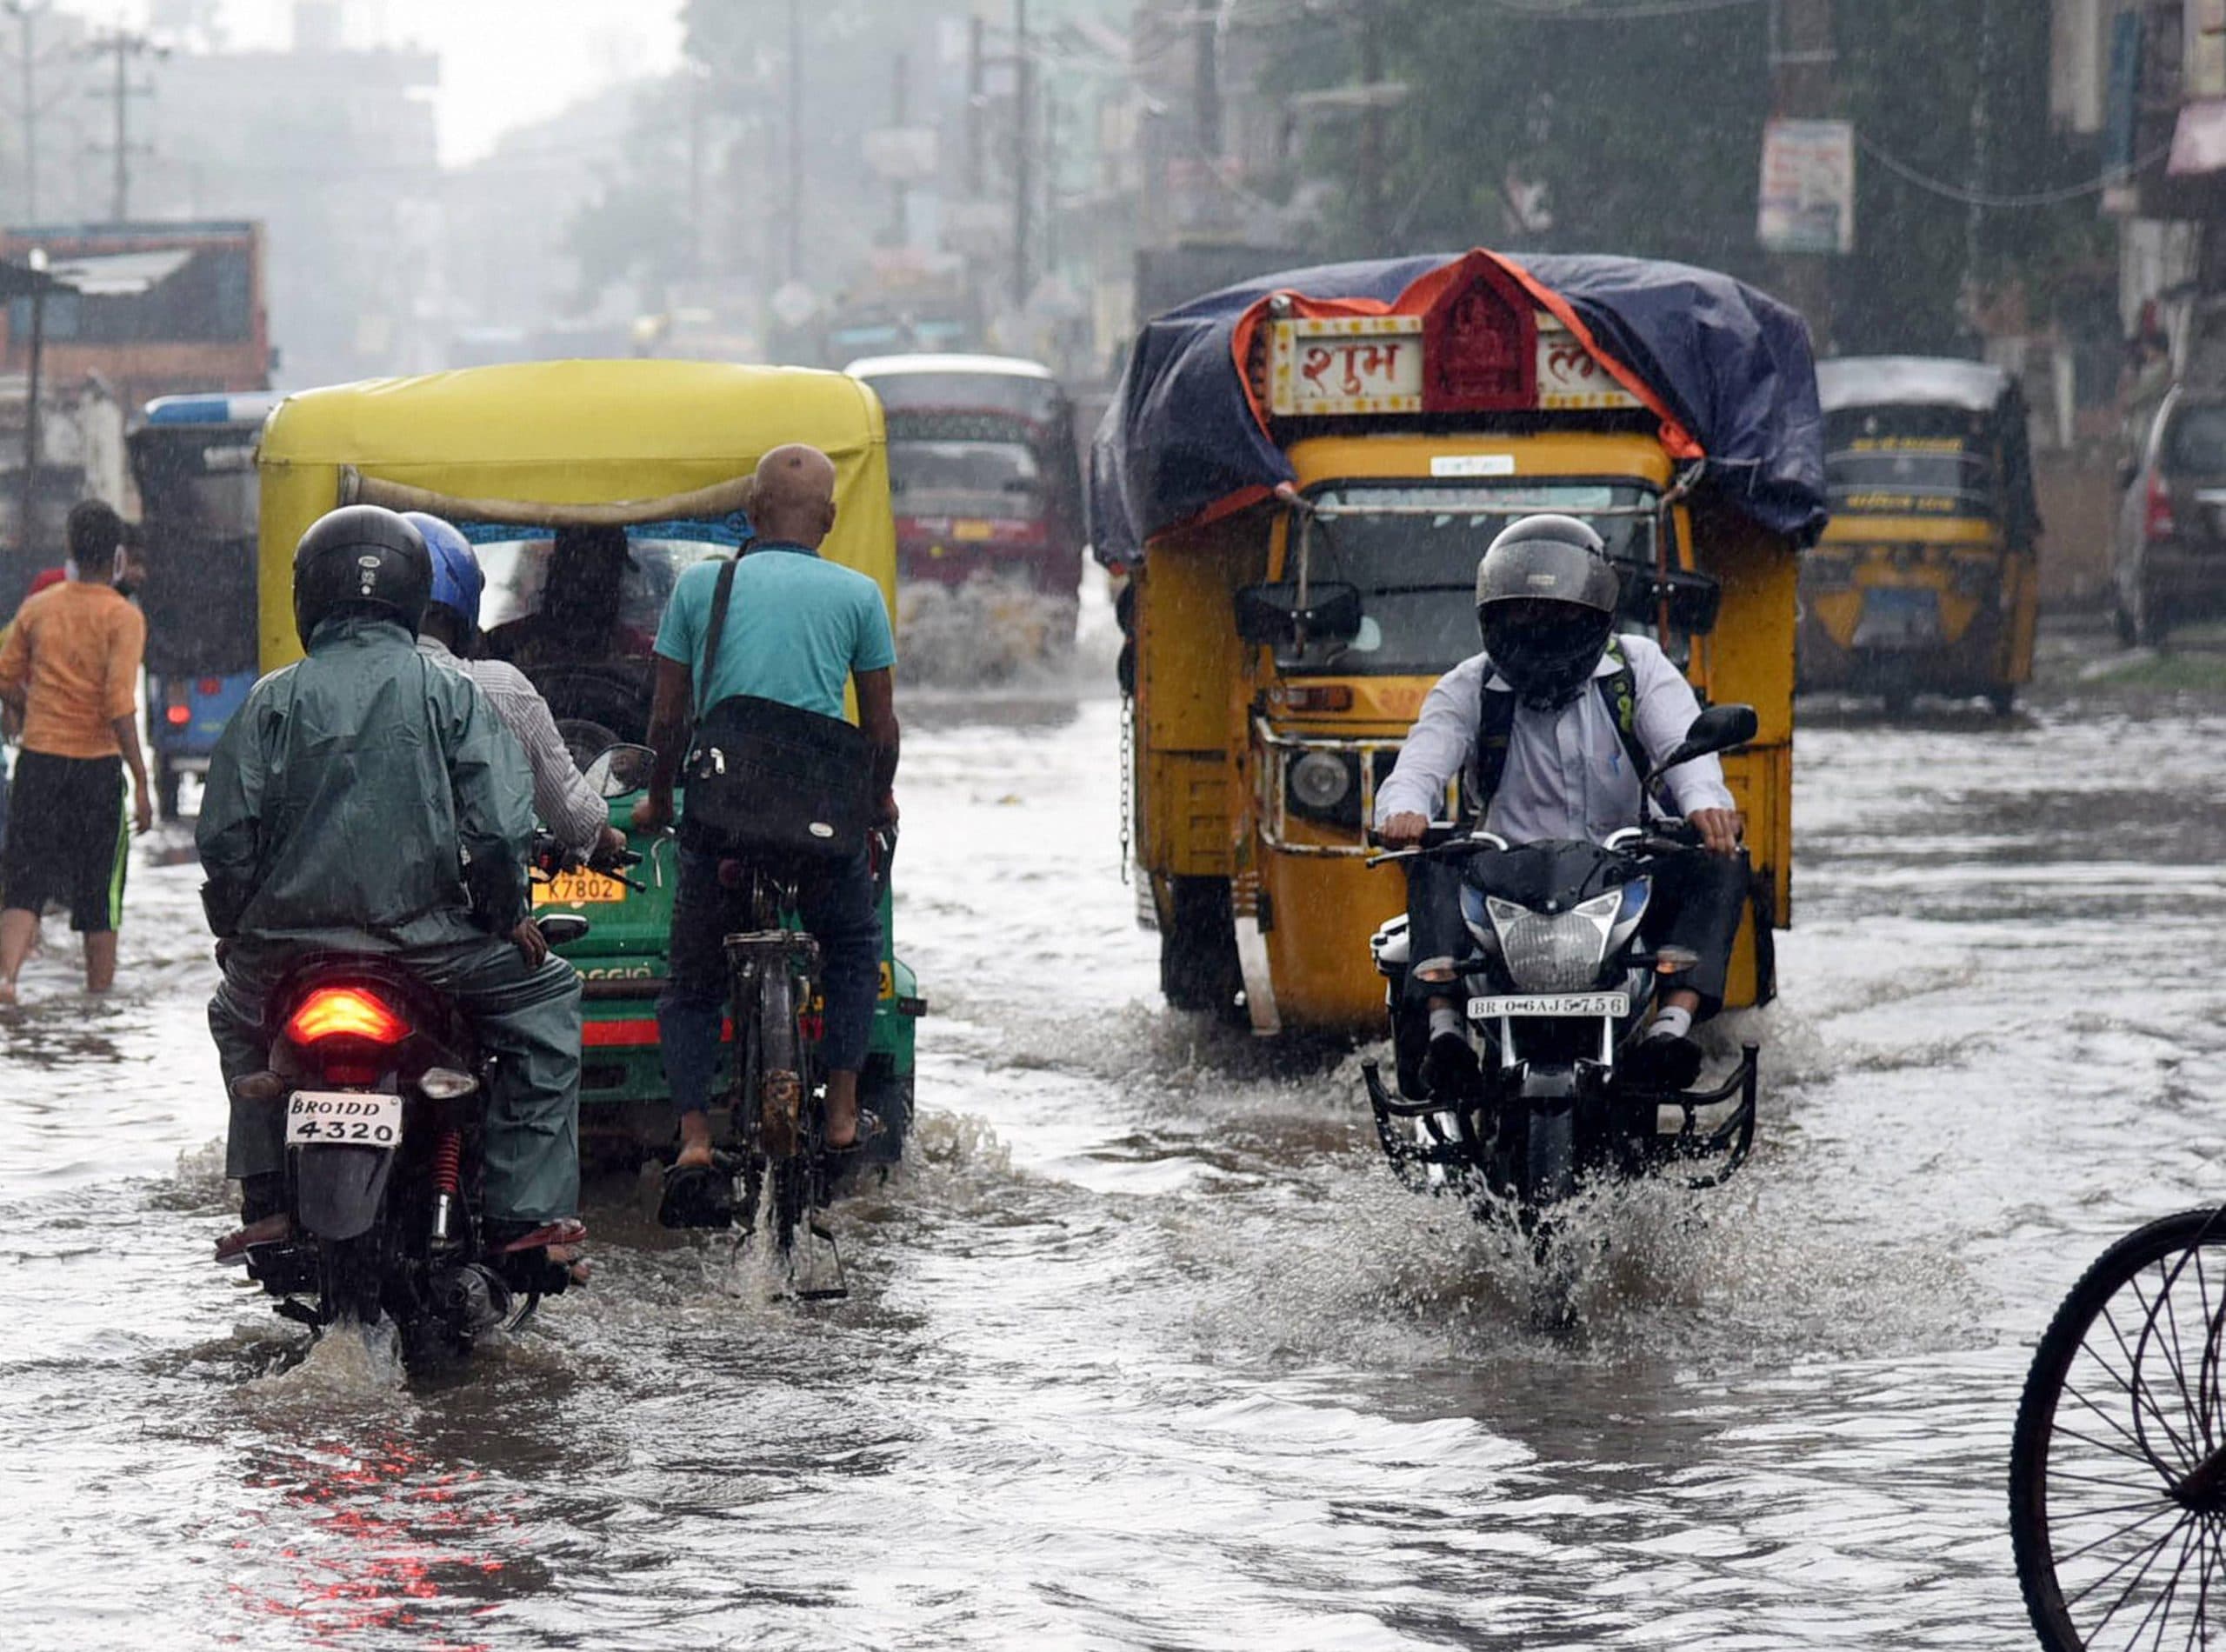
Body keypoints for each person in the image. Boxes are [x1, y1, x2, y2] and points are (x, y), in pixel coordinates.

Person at [197, 505, 585, 1270]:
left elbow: (223, 838)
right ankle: (524, 1217)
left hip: (288, 957)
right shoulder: (451, 692)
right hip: (432, 950)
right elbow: (502, 830)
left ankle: (267, 1200)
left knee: (235, 1020)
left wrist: (242, 928)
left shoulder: (271, 699)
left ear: (309, 597)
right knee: (549, 1001)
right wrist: (506, 916)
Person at [1373, 514, 1748, 1096]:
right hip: (1504, 884)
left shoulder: (1637, 668)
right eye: (1522, 616)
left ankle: (1670, 1030)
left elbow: (1685, 746)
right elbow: (1418, 766)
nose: (1540, 631)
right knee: (1433, 861)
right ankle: (1447, 1033)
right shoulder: (1468, 686)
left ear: (1594, 616)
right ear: (1491, 620)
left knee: (1723, 862)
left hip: (1623, 877)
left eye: (1559, 617)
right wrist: (1405, 816)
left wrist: (1705, 806)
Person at [632, 443, 899, 1169]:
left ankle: (693, 1135)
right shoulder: (857, 595)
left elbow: (665, 722)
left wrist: (658, 802)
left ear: (749, 515)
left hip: (724, 820)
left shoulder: (700, 590)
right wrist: (879, 802)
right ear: (831, 519)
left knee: (691, 980)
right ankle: (841, 1111)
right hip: (820, 822)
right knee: (850, 947)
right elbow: (880, 728)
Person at [405, 511, 628, 866]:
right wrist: (606, 837)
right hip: (453, 909)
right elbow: (574, 815)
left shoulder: (298, 693)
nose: (585, 583)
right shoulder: (500, 687)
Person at [0, 502, 153, 1002]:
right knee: (99, 895)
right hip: (95, 770)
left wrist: (27, 709)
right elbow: (117, 703)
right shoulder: (122, 617)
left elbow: (4, 674)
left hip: (38, 762)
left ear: (69, 547)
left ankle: (6, 981)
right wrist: (142, 780)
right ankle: (98, 1000)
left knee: (24, 884)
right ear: (115, 555)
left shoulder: (39, 607)